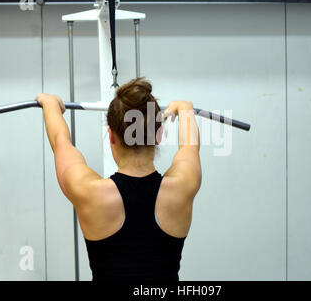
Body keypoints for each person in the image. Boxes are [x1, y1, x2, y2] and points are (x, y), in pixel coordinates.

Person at [36, 77, 201, 281]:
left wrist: (50, 104)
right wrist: (185, 110)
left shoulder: (89, 192)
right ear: (159, 135)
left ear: (111, 136)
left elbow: (61, 142)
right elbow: (190, 147)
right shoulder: (184, 185)